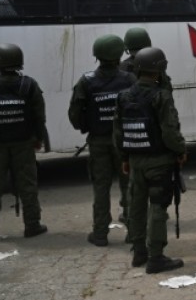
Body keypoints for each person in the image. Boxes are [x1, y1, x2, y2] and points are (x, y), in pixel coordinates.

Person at [114, 47, 187, 274]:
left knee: (136, 205)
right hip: (159, 162)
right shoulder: (161, 96)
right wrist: (181, 150)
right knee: (157, 206)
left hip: (135, 161)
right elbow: (169, 131)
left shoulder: (124, 96)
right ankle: (156, 258)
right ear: (161, 69)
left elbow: (118, 133)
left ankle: (139, 253)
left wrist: (125, 157)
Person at [68, 35, 136, 246]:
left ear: (97, 55)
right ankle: (133, 233)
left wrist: (86, 127)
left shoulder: (86, 81)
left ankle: (100, 234)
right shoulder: (130, 80)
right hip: (125, 142)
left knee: (101, 188)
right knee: (129, 187)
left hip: (98, 142)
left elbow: (75, 115)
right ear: (119, 54)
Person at [0, 44, 48, 241]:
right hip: (23, 144)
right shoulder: (29, 84)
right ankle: (32, 225)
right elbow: (39, 116)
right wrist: (38, 138)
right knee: (27, 186)